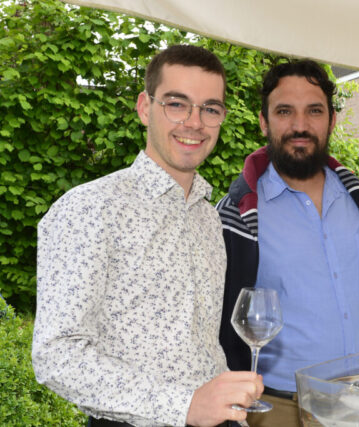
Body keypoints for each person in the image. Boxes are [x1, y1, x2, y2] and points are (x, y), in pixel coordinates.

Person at [32, 45, 263, 427]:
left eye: (210, 109)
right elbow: (56, 355)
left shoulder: (208, 218)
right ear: (144, 107)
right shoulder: (89, 208)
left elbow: (204, 347)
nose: (194, 122)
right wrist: (185, 405)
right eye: (177, 104)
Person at [216, 60, 359, 426]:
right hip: (280, 409)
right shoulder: (237, 216)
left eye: (314, 111)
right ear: (263, 122)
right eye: (284, 111)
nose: (300, 125)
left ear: (332, 120)